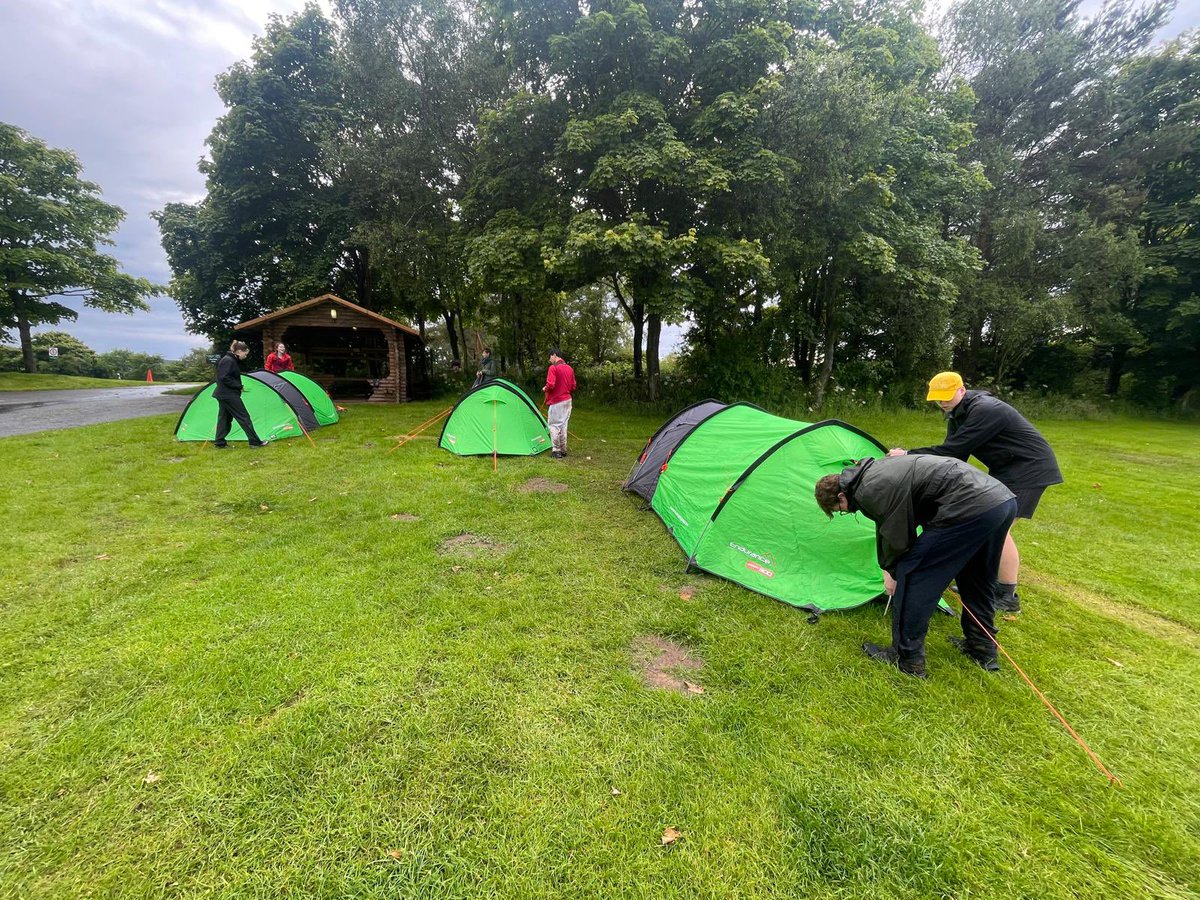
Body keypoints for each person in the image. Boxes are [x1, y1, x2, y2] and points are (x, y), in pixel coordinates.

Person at [814, 455, 1017, 678]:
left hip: (969, 505)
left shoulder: (868, 490)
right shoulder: (873, 473)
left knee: (914, 575)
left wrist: (894, 572)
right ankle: (982, 649)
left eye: (840, 508)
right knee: (977, 578)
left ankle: (907, 658)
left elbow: (897, 538)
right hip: (1000, 500)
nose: (848, 512)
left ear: (842, 495)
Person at [887, 372, 1062, 613]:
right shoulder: (957, 415)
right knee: (990, 528)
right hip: (1007, 469)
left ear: (962, 389)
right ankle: (983, 584)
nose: (943, 403)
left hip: (1029, 470)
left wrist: (908, 455)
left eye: (946, 397)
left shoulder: (986, 410)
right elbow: (955, 457)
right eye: (938, 399)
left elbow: (954, 449)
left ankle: (1007, 595)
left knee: (999, 530)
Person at [213, 341, 266, 449]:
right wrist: (238, 386)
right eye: (245, 354)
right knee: (244, 417)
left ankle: (219, 443)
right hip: (228, 395)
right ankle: (255, 442)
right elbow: (224, 377)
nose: (245, 356)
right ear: (239, 351)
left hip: (224, 394)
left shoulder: (230, 359)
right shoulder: (228, 360)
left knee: (225, 419)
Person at [543, 348, 576, 459]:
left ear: (554, 355)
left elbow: (551, 384)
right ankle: (563, 449)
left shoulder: (553, 368)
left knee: (553, 425)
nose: (550, 360)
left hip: (557, 401)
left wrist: (545, 388)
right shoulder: (570, 368)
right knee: (563, 425)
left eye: (550, 357)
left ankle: (556, 450)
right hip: (568, 400)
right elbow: (573, 386)